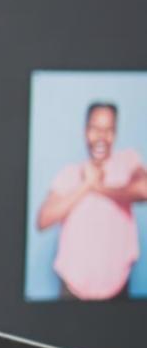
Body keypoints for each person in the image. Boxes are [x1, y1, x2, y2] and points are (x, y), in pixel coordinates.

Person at [36, 101, 147, 301]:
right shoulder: (69, 173)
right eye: (95, 129)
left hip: (118, 292)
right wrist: (86, 186)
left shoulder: (128, 162)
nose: (101, 137)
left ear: (116, 133)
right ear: (85, 131)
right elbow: (43, 220)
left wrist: (99, 188)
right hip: (72, 293)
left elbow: (144, 190)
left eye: (109, 130)